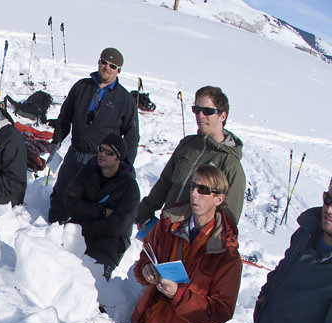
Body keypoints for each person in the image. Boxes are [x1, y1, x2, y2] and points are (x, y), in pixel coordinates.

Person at [229, 178, 332, 323]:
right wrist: (264, 299)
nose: (329, 209)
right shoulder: (306, 233)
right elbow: (281, 272)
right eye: (328, 199)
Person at [131, 165, 241, 323]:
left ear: (219, 199)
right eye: (193, 186)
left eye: (203, 190)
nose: (194, 194)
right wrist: (146, 268)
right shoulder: (169, 222)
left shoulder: (226, 254)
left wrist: (179, 295)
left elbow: (221, 310)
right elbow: (146, 255)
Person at [135, 85, 246, 230]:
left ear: (222, 116)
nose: (200, 116)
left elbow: (228, 220)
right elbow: (165, 183)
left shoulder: (231, 165)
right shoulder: (188, 145)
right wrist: (145, 210)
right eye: (197, 110)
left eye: (207, 111)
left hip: (193, 242)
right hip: (166, 230)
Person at [48, 48, 138, 223]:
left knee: (89, 198)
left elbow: (131, 136)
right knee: (62, 191)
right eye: (104, 62)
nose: (107, 67)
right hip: (75, 152)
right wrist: (57, 139)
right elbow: (65, 115)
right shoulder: (82, 86)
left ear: (118, 70)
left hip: (100, 158)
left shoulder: (125, 99)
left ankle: (80, 237)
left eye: (112, 65)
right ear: (98, 62)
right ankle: (53, 228)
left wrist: (125, 164)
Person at [62, 133, 141, 278]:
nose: (102, 154)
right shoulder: (89, 170)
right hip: (78, 234)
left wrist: (84, 220)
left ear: (118, 158)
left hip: (109, 245)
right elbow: (70, 202)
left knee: (89, 279)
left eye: (108, 152)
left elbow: (118, 227)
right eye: (100, 149)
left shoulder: (130, 187)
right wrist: (101, 211)